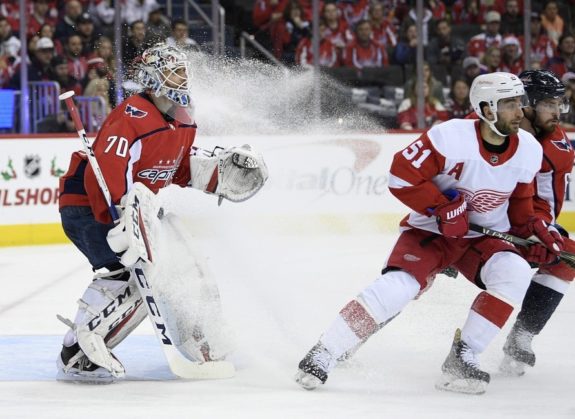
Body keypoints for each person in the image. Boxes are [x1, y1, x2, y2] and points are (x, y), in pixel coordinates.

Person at [294, 71, 564, 395]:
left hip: (484, 237)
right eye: (510, 104)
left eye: (520, 103)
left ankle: (463, 358)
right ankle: (326, 350)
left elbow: (520, 205)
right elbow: (400, 175)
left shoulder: (528, 149)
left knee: (516, 271)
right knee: (400, 286)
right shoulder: (450, 137)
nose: (520, 112)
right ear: (487, 109)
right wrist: (441, 207)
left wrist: (534, 231)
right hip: (434, 231)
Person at [56, 43, 268, 383]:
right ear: (153, 77)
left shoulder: (184, 119)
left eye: (185, 71)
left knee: (186, 262)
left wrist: (214, 172)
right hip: (89, 207)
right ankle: (78, 352)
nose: (183, 78)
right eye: (175, 71)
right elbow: (107, 175)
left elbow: (175, 168)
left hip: (134, 209)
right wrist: (119, 217)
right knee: (129, 277)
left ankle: (202, 339)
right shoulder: (131, 116)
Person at [499, 70, 575, 376]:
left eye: (559, 104)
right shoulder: (499, 134)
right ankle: (355, 332)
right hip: (487, 224)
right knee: (413, 273)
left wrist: (543, 227)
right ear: (526, 104)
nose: (557, 112)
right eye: (549, 104)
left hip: (527, 226)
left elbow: (539, 201)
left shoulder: (551, 138)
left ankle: (521, 336)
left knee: (566, 259)